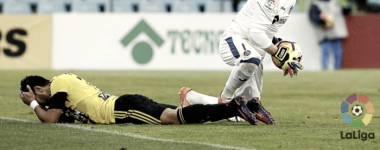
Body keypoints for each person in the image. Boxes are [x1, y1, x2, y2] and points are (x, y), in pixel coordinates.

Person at [179, 0, 307, 125]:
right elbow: (255, 33)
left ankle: (191, 97)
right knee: (252, 58)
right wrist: (280, 54)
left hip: (253, 48)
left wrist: (278, 46)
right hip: (234, 40)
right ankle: (225, 97)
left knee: (239, 108)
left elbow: (266, 29)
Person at [19, 73, 256, 125]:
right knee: (180, 115)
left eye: (38, 97)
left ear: (39, 89)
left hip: (122, 109)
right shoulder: (65, 89)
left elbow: (50, 120)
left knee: (174, 119)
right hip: (125, 104)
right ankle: (245, 107)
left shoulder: (59, 82)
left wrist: (31, 104)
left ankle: (234, 107)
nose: (42, 104)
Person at [309, 0, 350, 70]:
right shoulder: (316, 4)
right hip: (325, 35)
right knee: (326, 53)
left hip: (336, 33)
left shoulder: (334, 2)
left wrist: (348, 9)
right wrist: (321, 21)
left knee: (338, 53)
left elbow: (341, 10)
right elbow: (312, 16)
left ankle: (337, 70)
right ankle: (325, 71)